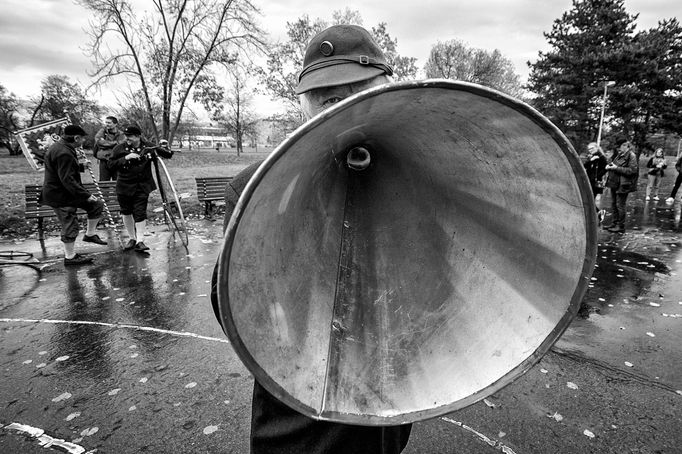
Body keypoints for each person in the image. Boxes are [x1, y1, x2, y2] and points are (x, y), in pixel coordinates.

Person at [210, 25, 412, 454]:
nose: (345, 113)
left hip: (389, 403)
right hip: (300, 416)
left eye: (361, 96)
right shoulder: (254, 186)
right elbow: (233, 303)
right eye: (330, 102)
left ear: (388, 94)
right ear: (305, 108)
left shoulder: (416, 171)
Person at [41, 124, 108, 266]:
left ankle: (90, 235)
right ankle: (70, 257)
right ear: (76, 138)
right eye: (82, 139)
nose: (83, 141)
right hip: (60, 195)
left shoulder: (61, 147)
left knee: (96, 205)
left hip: (68, 192)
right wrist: (85, 195)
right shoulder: (63, 152)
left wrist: (81, 167)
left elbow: (63, 169)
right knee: (70, 223)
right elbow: (67, 179)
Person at [107, 126, 173, 253]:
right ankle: (132, 238)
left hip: (142, 185)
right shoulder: (119, 148)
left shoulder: (148, 147)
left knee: (140, 212)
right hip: (124, 185)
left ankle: (140, 240)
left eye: (130, 136)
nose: (127, 139)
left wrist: (166, 147)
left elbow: (166, 154)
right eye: (126, 136)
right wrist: (125, 158)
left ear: (138, 136)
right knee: (126, 211)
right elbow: (110, 165)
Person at [603, 138, 639, 233]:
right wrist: (610, 166)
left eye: (620, 147)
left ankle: (621, 226)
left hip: (623, 185)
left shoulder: (631, 156)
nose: (619, 149)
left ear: (625, 145)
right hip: (614, 183)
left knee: (620, 205)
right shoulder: (620, 155)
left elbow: (632, 170)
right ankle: (614, 223)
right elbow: (615, 165)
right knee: (614, 204)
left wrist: (616, 168)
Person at [582, 142, 607, 224]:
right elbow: (585, 166)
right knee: (589, 199)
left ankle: (597, 213)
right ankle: (597, 213)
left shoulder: (601, 157)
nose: (590, 150)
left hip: (595, 183)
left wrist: (597, 177)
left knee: (590, 199)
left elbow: (605, 168)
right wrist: (591, 160)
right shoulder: (592, 157)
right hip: (589, 181)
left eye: (592, 148)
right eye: (589, 149)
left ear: (597, 148)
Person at [93, 116, 125, 181]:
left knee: (117, 182)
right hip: (104, 160)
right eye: (106, 122)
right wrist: (115, 143)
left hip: (116, 161)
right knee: (103, 182)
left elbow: (121, 146)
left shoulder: (121, 134)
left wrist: (106, 143)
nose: (107, 124)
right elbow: (99, 142)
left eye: (109, 123)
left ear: (115, 124)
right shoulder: (102, 131)